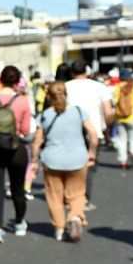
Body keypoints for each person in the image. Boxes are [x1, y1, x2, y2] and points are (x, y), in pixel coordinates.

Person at [30, 81, 96, 242]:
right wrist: (91, 153)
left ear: (49, 97)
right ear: (66, 93)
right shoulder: (79, 112)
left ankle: (59, 228)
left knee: (54, 196)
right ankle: (75, 216)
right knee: (77, 193)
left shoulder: (45, 115)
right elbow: (93, 134)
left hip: (52, 160)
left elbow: (37, 141)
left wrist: (34, 160)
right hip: (78, 159)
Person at [0, 66, 34, 242]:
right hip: (15, 149)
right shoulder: (23, 101)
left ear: (0, 80)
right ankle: (19, 222)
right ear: (18, 82)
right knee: (17, 188)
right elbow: (25, 130)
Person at [65, 60, 113, 210]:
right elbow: (108, 111)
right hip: (94, 130)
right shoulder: (99, 86)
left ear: (72, 72)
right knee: (89, 165)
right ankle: (85, 198)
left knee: (72, 165)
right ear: (86, 71)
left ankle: (71, 197)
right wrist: (107, 127)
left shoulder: (66, 87)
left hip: (70, 131)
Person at [112, 68, 133, 169]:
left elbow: (114, 102)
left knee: (121, 139)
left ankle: (123, 161)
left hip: (119, 117)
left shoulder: (117, 87)